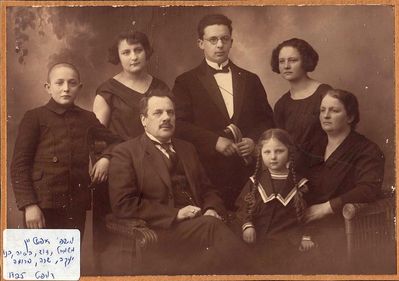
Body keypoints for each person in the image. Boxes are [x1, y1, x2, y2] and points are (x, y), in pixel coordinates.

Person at [108, 93, 261, 274]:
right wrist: (176, 214)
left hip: (200, 224)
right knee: (213, 228)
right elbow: (123, 204)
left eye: (170, 113)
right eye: (158, 113)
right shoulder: (126, 152)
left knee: (245, 228)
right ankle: (261, 275)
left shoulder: (187, 148)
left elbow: (207, 190)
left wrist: (212, 208)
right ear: (143, 120)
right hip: (163, 230)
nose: (166, 118)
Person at [173, 14, 274, 210]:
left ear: (231, 42)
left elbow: (267, 120)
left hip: (247, 172)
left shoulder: (250, 79)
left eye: (224, 39)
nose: (220, 45)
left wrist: (254, 141)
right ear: (200, 43)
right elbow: (179, 125)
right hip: (206, 172)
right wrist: (214, 142)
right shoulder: (185, 82)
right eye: (213, 40)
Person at [10, 62, 121, 237]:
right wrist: (29, 205)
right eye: (59, 83)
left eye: (72, 83)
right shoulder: (34, 117)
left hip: (75, 206)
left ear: (80, 87)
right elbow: (19, 166)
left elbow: (118, 142)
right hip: (42, 205)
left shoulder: (87, 118)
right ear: (48, 87)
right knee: (41, 261)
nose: (66, 88)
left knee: (69, 260)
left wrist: (106, 158)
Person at [303, 89, 385, 273]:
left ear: (350, 117)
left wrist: (327, 207)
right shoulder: (314, 145)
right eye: (323, 110)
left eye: (334, 110)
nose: (326, 116)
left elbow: (369, 188)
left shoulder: (367, 150)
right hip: (306, 221)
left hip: (343, 225)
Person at [235, 128, 315, 273]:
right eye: (267, 152)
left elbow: (308, 214)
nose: (273, 157)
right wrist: (247, 225)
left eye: (279, 151)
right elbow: (243, 207)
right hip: (258, 240)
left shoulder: (301, 185)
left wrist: (306, 236)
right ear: (260, 153)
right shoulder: (255, 182)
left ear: (289, 152)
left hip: (289, 243)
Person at [94, 30, 170, 141]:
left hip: (157, 153)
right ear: (117, 56)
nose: (134, 57)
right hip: (121, 154)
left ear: (146, 52)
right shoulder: (107, 92)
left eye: (138, 50)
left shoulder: (160, 87)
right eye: (126, 52)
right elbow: (98, 137)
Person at [271, 38, 332, 170]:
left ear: (305, 61)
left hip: (326, 168)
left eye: (293, 60)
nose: (286, 66)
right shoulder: (281, 104)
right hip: (293, 171)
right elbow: (280, 144)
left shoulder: (325, 94)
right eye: (282, 61)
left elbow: (338, 137)